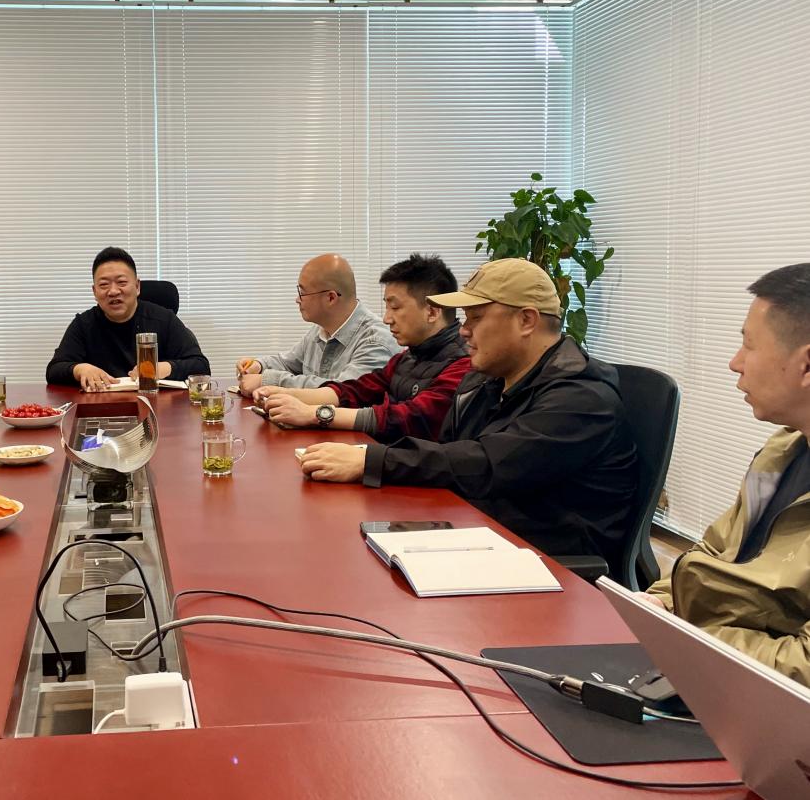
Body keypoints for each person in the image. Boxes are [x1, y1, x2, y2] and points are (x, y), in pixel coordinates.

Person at [298, 258, 638, 568]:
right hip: (478, 529)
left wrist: (370, 460)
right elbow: (449, 450)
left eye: (476, 317)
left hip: (546, 563)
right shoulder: (487, 379)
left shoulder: (580, 398)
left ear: (526, 320)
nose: (463, 329)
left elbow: (486, 462)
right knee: (342, 543)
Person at [640, 264, 810, 686]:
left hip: (770, 703)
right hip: (716, 671)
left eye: (749, 345)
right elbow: (715, 550)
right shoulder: (782, 451)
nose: (735, 363)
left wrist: (690, 634)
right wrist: (657, 605)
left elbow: (804, 666)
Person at [259, 254, 470, 442]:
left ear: (432, 312)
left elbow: (405, 418)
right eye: (386, 307)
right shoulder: (408, 357)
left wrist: (315, 414)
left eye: (395, 307)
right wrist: (281, 393)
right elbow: (356, 390)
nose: (387, 319)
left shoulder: (461, 365)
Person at [47, 247, 211, 392]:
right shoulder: (83, 324)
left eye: (121, 282)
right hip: (102, 407)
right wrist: (79, 369)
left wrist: (164, 368)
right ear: (94, 292)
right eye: (104, 285)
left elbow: (201, 366)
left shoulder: (164, 319)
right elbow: (54, 370)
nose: (113, 291)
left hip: (157, 405)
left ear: (137, 287)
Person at [234, 254, 394, 395]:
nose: (297, 299)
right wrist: (258, 365)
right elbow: (288, 362)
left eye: (302, 293)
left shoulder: (376, 342)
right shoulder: (321, 330)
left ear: (331, 298)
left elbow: (340, 392)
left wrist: (268, 380)